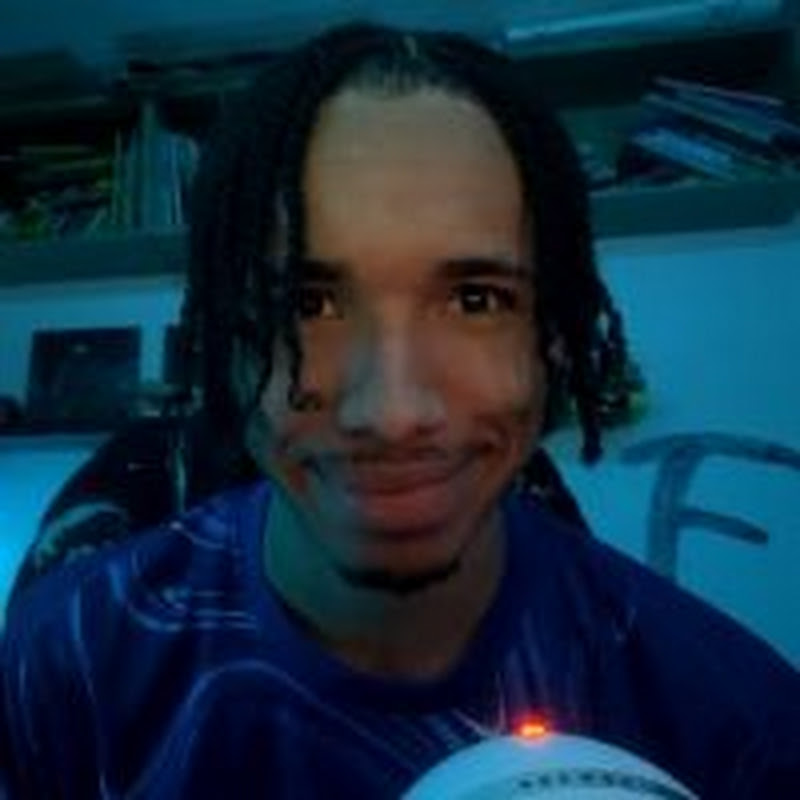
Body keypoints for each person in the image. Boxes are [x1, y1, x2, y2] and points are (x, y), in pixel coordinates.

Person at [1, 22, 797, 799]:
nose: (391, 411)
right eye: (307, 303)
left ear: (552, 338)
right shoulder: (60, 670)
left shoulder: (740, 732)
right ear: (224, 345)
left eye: (476, 299)